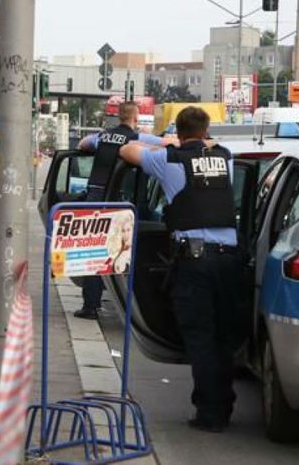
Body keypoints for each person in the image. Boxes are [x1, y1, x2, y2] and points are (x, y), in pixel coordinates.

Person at [120, 106, 241, 433]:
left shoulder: (170, 160)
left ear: (179, 131)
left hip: (194, 260)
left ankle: (210, 414)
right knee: (223, 337)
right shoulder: (226, 158)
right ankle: (224, 407)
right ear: (206, 130)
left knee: (200, 338)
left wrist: (165, 143)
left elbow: (126, 149)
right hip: (230, 260)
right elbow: (210, 147)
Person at [73, 101, 170, 319]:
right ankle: (132, 306)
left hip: (94, 196)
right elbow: (167, 144)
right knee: (117, 252)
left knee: (93, 251)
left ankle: (90, 305)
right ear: (135, 119)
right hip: (114, 199)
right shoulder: (136, 137)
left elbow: (82, 144)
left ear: (118, 116)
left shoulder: (103, 136)